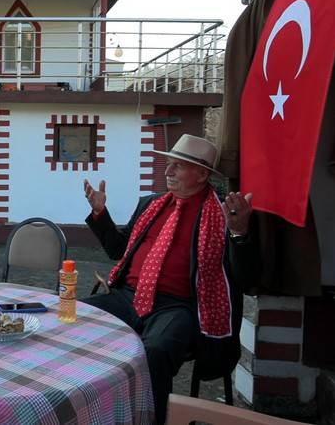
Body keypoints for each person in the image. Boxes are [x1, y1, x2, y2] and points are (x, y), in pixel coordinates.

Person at [81, 134, 260, 424]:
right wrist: (101, 213)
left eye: (178, 166)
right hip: (127, 296)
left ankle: (148, 419)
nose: (167, 172)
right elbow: (117, 250)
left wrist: (239, 233)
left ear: (202, 174)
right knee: (73, 318)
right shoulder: (151, 205)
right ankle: (89, 408)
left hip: (178, 306)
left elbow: (247, 279)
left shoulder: (225, 214)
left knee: (155, 352)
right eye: (168, 164)